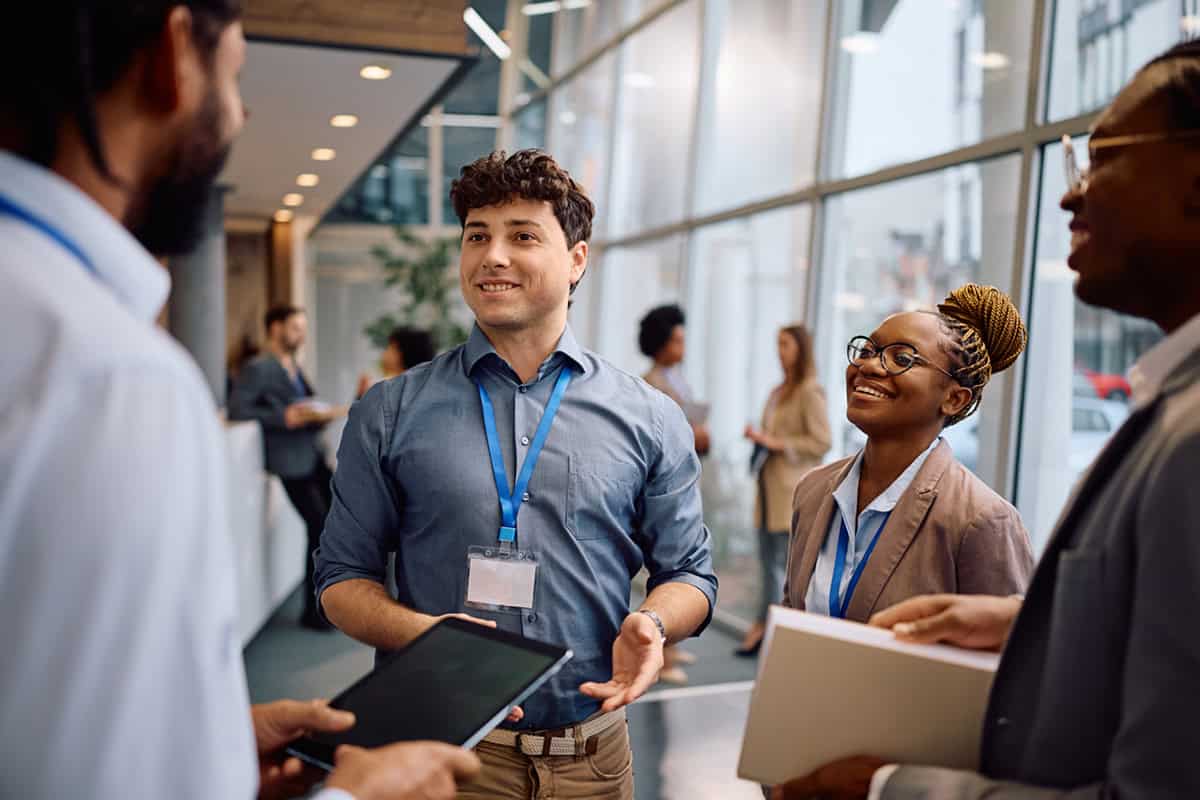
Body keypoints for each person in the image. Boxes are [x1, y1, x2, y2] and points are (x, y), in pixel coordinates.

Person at [0, 2, 479, 797]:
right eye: (234, 75)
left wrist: (212, 747)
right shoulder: (105, 374)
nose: (241, 114)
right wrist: (354, 797)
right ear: (172, 54)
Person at [772, 41, 1200, 799]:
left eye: (1103, 159)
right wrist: (1017, 620)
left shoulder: (990, 516)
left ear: (956, 399)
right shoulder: (1167, 405)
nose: (1071, 196)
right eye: (868, 348)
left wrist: (890, 786)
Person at [315, 149, 718, 800]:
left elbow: (691, 576)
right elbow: (340, 581)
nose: (492, 255)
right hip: (441, 756)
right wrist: (431, 638)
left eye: (523, 236)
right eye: (477, 236)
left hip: (595, 757)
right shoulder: (390, 411)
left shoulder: (649, 416)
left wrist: (654, 623)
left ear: (577, 260)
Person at [780, 285, 1034, 634]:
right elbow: (792, 616)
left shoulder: (981, 519)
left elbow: (1012, 659)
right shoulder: (813, 490)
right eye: (868, 350)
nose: (868, 365)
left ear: (955, 399)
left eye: (902, 358)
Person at [230, 304, 344, 630]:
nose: (301, 334)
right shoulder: (259, 367)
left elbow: (304, 405)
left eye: (302, 328)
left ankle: (323, 605)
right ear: (275, 328)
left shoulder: (292, 365)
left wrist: (315, 416)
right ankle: (315, 610)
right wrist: (283, 418)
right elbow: (239, 409)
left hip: (311, 455)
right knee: (319, 525)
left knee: (333, 524)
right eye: (295, 328)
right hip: (290, 463)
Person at [737, 324, 831, 656]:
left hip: (790, 492)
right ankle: (764, 627)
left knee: (781, 566)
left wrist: (774, 442)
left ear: (801, 349)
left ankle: (773, 636)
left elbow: (822, 441)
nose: (780, 351)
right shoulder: (779, 391)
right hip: (767, 489)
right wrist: (760, 436)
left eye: (786, 344)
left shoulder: (809, 391)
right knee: (768, 563)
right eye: (777, 344)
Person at [639, 303, 711, 455]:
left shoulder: (678, 378)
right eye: (677, 341)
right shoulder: (649, 383)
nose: (683, 347)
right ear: (662, 344)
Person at [356, 325, 436, 399]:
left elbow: (354, 413)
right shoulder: (423, 389)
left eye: (390, 347)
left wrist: (362, 396)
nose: (384, 353)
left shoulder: (384, 389)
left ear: (401, 353)